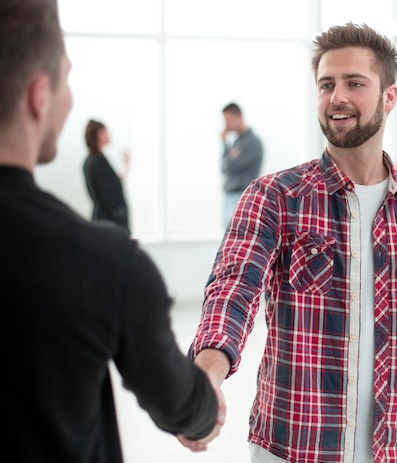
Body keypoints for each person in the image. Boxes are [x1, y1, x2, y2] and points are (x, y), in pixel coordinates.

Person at [181, 22, 397, 463]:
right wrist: (207, 376)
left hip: (395, 450)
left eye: (354, 83)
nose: (337, 96)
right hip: (292, 446)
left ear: (389, 97)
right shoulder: (276, 196)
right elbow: (232, 290)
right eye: (326, 84)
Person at [0, 1, 224, 461]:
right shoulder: (104, 264)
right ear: (38, 96)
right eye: (67, 78)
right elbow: (183, 403)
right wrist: (205, 407)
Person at [83, 119, 131, 234]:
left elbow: (114, 183)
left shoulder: (92, 161)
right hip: (110, 224)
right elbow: (108, 196)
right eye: (106, 132)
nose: (109, 135)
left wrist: (126, 164)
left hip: (107, 222)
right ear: (99, 134)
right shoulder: (98, 162)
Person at [220, 102, 264, 229]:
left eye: (228, 120)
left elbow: (230, 166)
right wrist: (224, 143)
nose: (226, 126)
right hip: (230, 196)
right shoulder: (236, 142)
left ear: (238, 116)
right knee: (227, 239)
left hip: (242, 196)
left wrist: (230, 159)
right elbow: (224, 167)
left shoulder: (252, 142)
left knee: (237, 238)